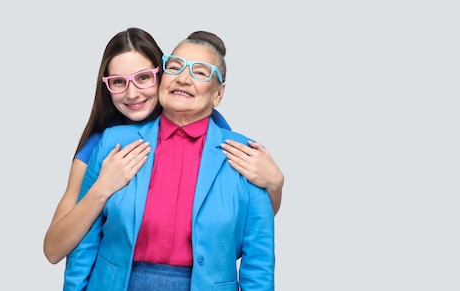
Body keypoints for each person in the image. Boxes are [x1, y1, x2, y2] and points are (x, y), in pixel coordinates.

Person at [61, 30, 275, 291]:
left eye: (200, 71)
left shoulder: (245, 157)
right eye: (174, 66)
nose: (184, 77)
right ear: (162, 78)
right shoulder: (114, 143)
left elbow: (260, 262)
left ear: (219, 93)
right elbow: (86, 241)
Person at [43, 27, 283, 265]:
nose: (132, 93)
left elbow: (236, 225)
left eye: (144, 78)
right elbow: (54, 250)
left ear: (162, 73)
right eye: (119, 82)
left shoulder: (217, 135)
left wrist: (275, 185)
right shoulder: (102, 145)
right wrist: (102, 188)